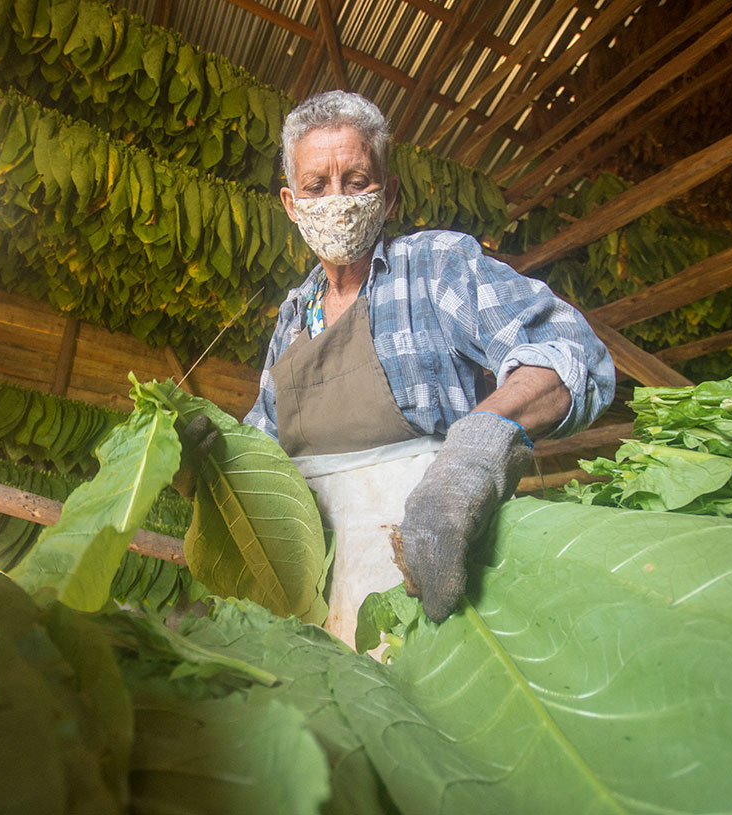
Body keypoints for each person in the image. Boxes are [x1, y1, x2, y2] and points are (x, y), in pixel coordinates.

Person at [242, 90, 614, 648]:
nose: (336, 200)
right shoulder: (293, 316)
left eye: (357, 180)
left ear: (388, 194)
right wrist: (211, 452)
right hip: (312, 607)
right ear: (292, 205)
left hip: (425, 585)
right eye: (317, 186)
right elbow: (260, 447)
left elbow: (569, 351)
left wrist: (477, 448)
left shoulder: (434, 268)